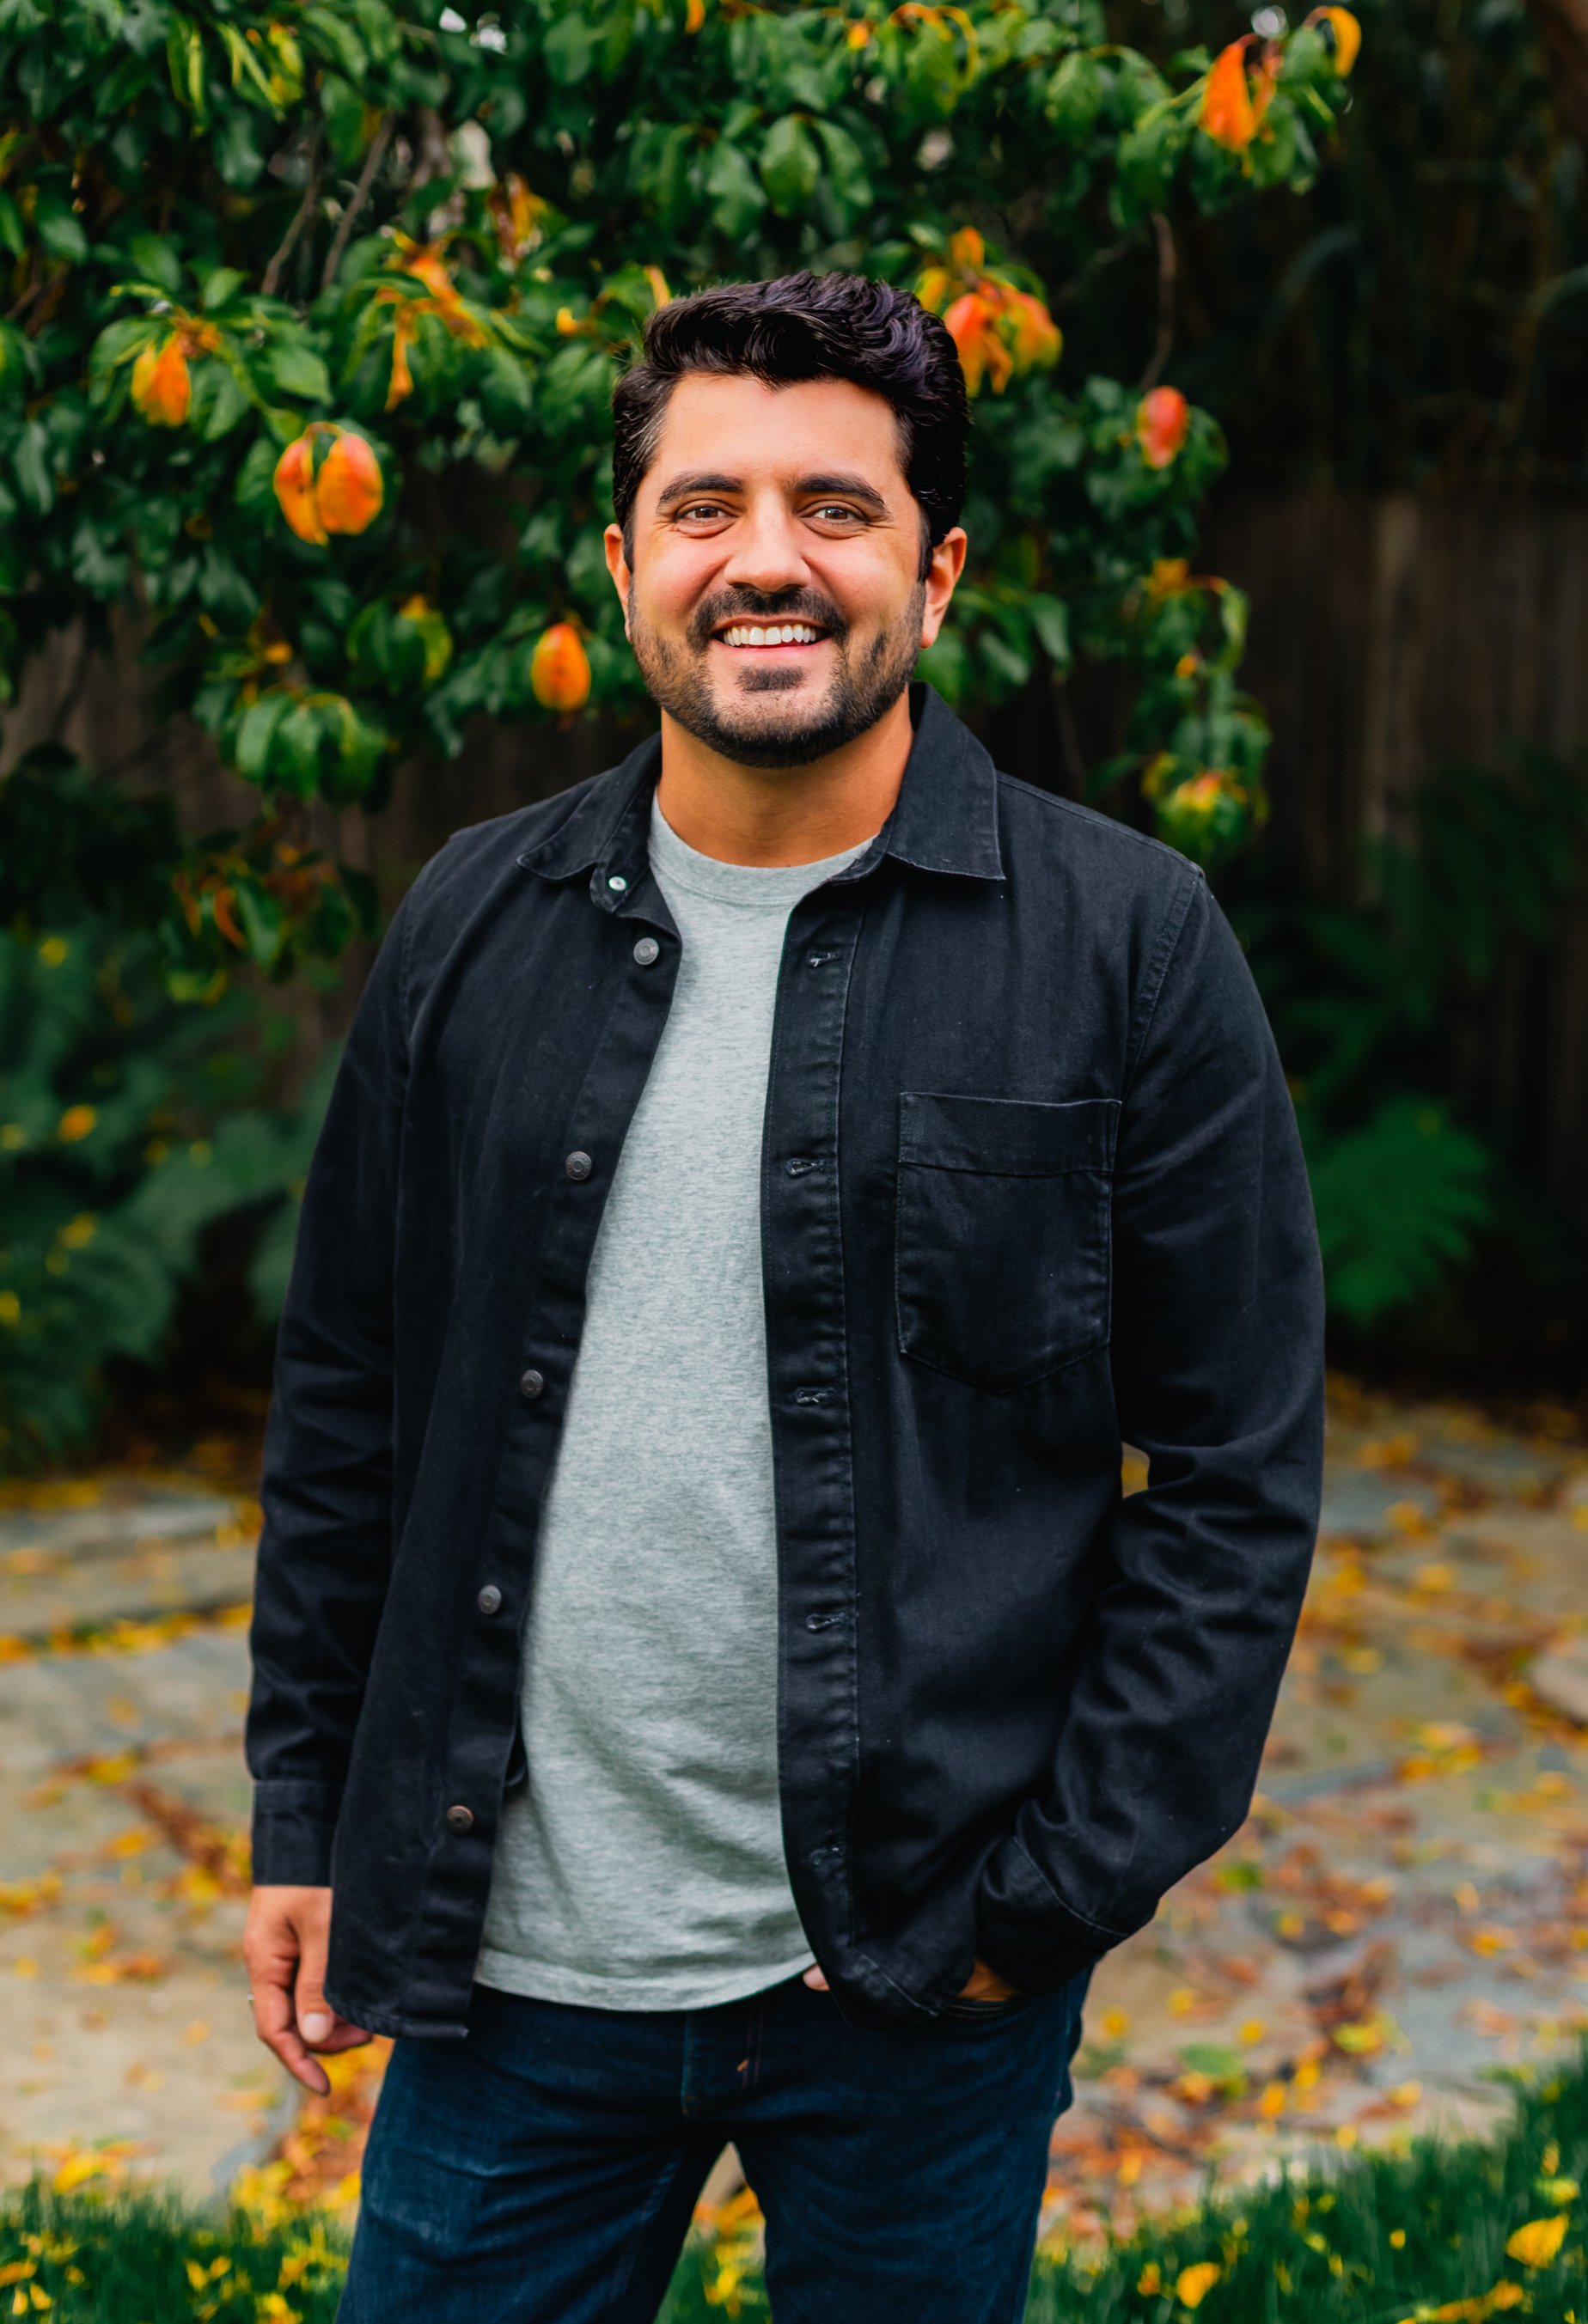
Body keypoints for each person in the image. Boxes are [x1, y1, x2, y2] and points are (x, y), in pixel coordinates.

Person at [243, 271, 1324, 2324]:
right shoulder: (473, 921)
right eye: (706, 504)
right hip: (511, 1968)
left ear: (940, 564)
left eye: (836, 506)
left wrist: (1054, 1898)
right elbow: (350, 1406)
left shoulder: (1129, 946)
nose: (769, 561)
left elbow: (1240, 1470)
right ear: (627, 558)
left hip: (925, 1969)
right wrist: (309, 1812)